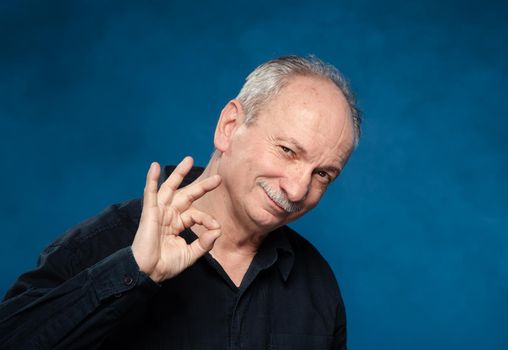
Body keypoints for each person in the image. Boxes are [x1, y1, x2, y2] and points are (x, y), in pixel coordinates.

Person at [0, 55, 361, 349]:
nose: (297, 190)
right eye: (286, 151)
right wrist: (133, 270)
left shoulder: (317, 285)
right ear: (230, 126)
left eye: (323, 174)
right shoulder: (98, 246)